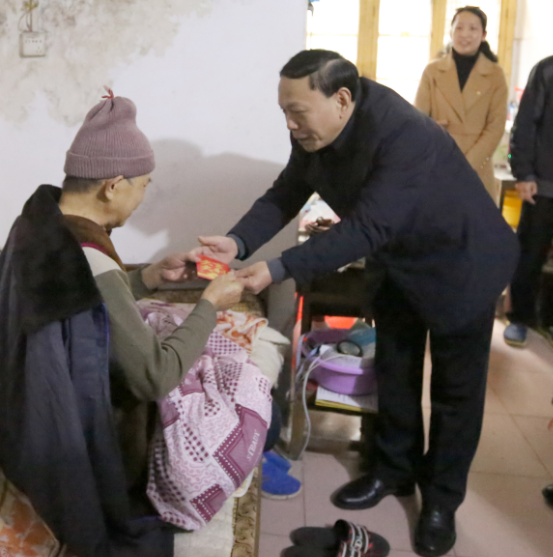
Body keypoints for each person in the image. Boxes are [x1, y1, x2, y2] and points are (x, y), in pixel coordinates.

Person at [193, 50, 518, 557]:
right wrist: (238, 243)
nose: (290, 124)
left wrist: (277, 268)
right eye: (284, 111)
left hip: (462, 262)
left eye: (297, 112)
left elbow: (367, 227)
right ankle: (393, 470)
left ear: (341, 100)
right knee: (395, 370)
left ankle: (441, 501)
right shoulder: (312, 131)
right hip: (399, 263)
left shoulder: (403, 133)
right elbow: (287, 191)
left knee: (456, 394)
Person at [0, 94, 244, 557]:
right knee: (241, 391)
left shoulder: (37, 227)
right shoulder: (92, 259)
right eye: (143, 186)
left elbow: (77, 305)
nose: (142, 198)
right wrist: (209, 305)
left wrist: (146, 278)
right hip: (78, 449)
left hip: (18, 423)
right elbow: (153, 376)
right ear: (113, 187)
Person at [415, 6, 508, 204]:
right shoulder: (432, 71)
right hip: (437, 163)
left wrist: (465, 165)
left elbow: (495, 127)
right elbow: (417, 120)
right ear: (451, 32)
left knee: (474, 219)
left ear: (483, 35)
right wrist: (432, 128)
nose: (465, 34)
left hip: (477, 168)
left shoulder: (495, 75)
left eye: (473, 29)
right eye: (459, 28)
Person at [503, 54, 553, 348]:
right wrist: (524, 173)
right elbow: (524, 125)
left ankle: (548, 319)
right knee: (530, 255)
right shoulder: (546, 70)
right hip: (542, 185)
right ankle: (519, 318)